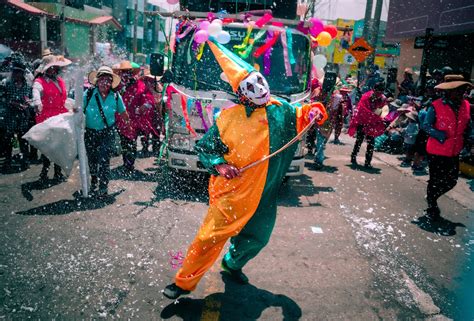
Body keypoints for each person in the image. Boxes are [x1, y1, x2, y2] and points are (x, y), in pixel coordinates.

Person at [163, 39, 327, 300]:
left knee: (257, 239)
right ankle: (183, 282)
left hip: (264, 195)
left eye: (259, 81)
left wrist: (313, 112)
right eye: (251, 85)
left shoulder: (280, 110)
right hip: (233, 194)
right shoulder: (228, 118)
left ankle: (232, 264)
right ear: (240, 93)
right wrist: (220, 164)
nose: (260, 88)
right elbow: (206, 148)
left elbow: (302, 113)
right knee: (208, 239)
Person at [421, 74, 473, 222]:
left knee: (452, 181)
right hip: (436, 150)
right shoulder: (436, 105)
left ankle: (432, 196)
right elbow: (426, 125)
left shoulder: (466, 105)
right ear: (449, 91)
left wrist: (471, 136)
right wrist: (440, 135)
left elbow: (468, 125)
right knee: (435, 180)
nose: (460, 93)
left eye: (462, 90)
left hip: (455, 151)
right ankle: (432, 205)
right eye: (457, 90)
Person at [84, 66, 131, 196]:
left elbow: (123, 113)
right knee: (92, 159)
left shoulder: (116, 97)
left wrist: (128, 127)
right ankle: (94, 178)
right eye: (102, 79)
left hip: (107, 132)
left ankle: (103, 186)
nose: (105, 82)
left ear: (111, 83)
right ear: (97, 81)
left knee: (104, 159)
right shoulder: (88, 94)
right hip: (90, 132)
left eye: (108, 80)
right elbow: (78, 110)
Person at [32, 55, 71, 181]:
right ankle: (45, 171)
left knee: (59, 145)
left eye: (55, 67)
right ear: (46, 69)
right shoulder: (40, 82)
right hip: (47, 118)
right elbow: (36, 92)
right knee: (48, 147)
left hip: (60, 117)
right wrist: (37, 102)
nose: (54, 70)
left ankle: (58, 172)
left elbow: (64, 98)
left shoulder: (60, 80)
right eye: (52, 67)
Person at [114, 61, 155, 172]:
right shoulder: (116, 85)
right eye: (123, 72)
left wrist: (144, 105)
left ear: (132, 73)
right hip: (120, 119)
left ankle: (129, 164)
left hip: (134, 120)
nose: (126, 74)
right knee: (124, 142)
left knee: (131, 143)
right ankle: (126, 163)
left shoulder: (139, 85)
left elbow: (148, 98)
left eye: (128, 72)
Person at [1, 61, 33, 171]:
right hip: (10, 116)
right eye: (15, 72)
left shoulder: (27, 85)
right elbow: (3, 98)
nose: (16, 74)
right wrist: (14, 103)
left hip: (23, 117)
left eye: (19, 72)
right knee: (8, 141)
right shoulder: (7, 83)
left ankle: (25, 161)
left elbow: (30, 98)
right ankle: (8, 162)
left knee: (23, 140)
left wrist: (28, 103)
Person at [348, 81, 387, 168]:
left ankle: (368, 162)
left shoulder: (382, 99)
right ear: (374, 90)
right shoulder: (366, 96)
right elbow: (363, 110)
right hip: (362, 121)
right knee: (359, 140)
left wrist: (375, 116)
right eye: (378, 92)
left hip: (372, 123)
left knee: (371, 143)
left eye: (381, 92)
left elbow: (382, 111)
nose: (379, 94)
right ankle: (353, 156)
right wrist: (373, 115)